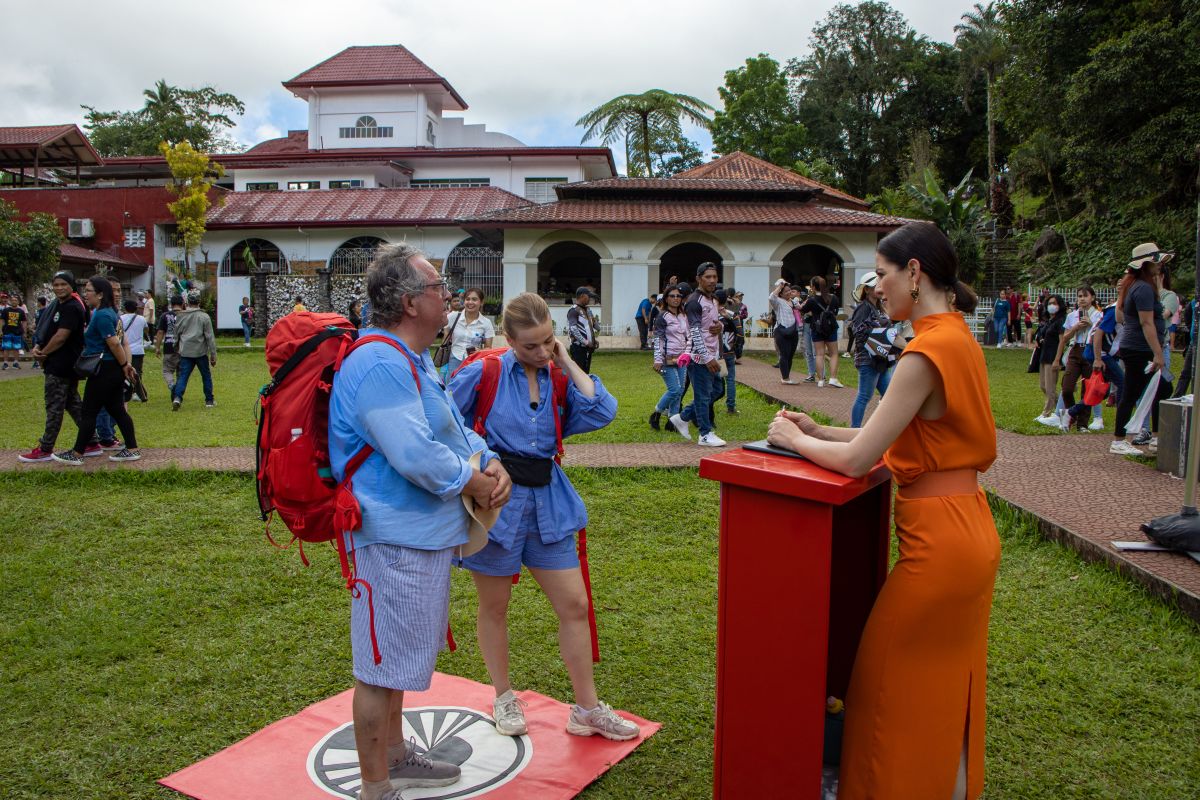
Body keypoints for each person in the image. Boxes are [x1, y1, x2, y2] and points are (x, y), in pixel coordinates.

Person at [767, 221, 998, 800]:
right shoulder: (957, 336)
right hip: (968, 526)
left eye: (883, 274)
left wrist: (796, 444)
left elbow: (862, 458)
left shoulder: (925, 350)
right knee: (943, 685)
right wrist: (819, 427)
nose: (876, 287)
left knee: (884, 682)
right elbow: (898, 437)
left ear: (914, 273)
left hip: (940, 545)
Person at [328, 243, 511, 800]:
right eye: (438, 287)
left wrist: (489, 458)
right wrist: (475, 481)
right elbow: (414, 454)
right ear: (410, 303)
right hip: (390, 538)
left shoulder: (409, 358)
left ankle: (397, 757)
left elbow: (451, 430)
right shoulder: (380, 361)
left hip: (417, 537)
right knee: (379, 664)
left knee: (401, 659)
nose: (447, 294)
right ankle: (376, 786)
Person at [447, 292, 639, 742]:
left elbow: (600, 410)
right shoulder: (485, 371)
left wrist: (565, 358)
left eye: (547, 341)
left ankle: (587, 709)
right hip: (498, 503)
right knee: (495, 607)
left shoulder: (557, 375)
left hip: (549, 502)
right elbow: (443, 420)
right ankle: (503, 694)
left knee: (574, 605)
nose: (539, 352)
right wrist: (481, 456)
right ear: (508, 340)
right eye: (529, 345)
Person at [51, 276, 140, 464]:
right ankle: (131, 448)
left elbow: (115, 343)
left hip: (104, 369)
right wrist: (124, 366)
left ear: (100, 295)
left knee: (89, 411)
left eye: (89, 290)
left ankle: (77, 453)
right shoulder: (109, 313)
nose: (86, 293)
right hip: (110, 368)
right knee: (117, 410)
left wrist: (125, 365)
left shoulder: (102, 315)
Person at [19, 272, 102, 462]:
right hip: (60, 363)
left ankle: (46, 448)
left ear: (71, 286)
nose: (59, 288)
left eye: (63, 284)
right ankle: (91, 441)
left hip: (61, 364)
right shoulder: (59, 306)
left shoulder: (72, 307)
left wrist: (43, 353)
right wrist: (39, 346)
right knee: (73, 404)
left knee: (54, 406)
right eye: (55, 285)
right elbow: (48, 331)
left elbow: (61, 336)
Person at [1111, 243, 1173, 456]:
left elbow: (1122, 316)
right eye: (1156, 262)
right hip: (1140, 349)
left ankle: (1153, 436)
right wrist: (1157, 353)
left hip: (1134, 347)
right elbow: (1147, 323)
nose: (1160, 267)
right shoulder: (1144, 288)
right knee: (1136, 392)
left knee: (1159, 390)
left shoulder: (1134, 285)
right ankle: (1120, 439)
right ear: (1147, 264)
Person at [668, 262, 726, 447]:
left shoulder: (714, 299)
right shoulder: (694, 301)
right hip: (698, 357)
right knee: (702, 395)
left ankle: (682, 417)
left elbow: (712, 325)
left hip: (712, 354)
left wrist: (720, 327)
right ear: (698, 278)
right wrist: (707, 358)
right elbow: (694, 332)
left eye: (714, 277)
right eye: (707, 277)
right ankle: (705, 434)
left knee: (717, 390)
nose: (712, 280)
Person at [849, 273, 893, 428]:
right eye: (876, 286)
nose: (879, 288)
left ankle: (882, 428)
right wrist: (876, 329)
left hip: (880, 358)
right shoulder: (863, 308)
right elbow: (858, 332)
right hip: (868, 359)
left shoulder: (878, 307)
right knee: (864, 397)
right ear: (866, 290)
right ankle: (854, 430)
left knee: (889, 396)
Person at [1057, 287, 1104, 431]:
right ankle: (1072, 414)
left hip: (1089, 349)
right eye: (1079, 296)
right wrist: (1076, 327)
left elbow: (1099, 335)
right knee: (1067, 387)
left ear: (1092, 297)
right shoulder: (1072, 316)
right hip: (1076, 349)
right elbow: (1065, 337)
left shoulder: (1098, 315)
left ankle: (1082, 424)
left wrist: (1090, 324)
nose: (1082, 299)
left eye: (1085, 296)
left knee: (1088, 389)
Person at [649, 284, 688, 430]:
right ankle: (656, 413)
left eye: (678, 296)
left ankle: (672, 422)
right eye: (672, 296)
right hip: (667, 359)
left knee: (680, 391)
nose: (676, 298)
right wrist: (658, 359)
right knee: (675, 390)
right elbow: (658, 339)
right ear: (666, 298)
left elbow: (687, 336)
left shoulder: (684, 316)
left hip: (682, 359)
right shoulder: (662, 316)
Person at [172, 293, 217, 410]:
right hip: (200, 351)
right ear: (199, 302)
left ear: (187, 303)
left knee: (183, 376)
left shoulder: (181, 316)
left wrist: (175, 346)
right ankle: (209, 400)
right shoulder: (204, 316)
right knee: (206, 376)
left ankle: (177, 398)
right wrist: (213, 354)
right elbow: (209, 337)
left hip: (186, 351)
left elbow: (176, 333)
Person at [440, 287, 495, 376]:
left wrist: (480, 351)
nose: (470, 302)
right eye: (467, 299)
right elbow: (445, 337)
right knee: (452, 388)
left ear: (481, 302)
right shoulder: (453, 317)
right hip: (455, 358)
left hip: (474, 361)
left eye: (474, 299)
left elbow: (489, 347)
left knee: (471, 388)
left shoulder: (486, 323)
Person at [801, 276, 844, 387]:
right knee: (834, 353)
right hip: (831, 328)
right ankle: (833, 378)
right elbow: (835, 312)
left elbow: (803, 310)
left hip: (817, 328)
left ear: (813, 287)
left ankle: (820, 380)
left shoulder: (811, 300)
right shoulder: (833, 298)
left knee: (819, 354)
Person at [1033, 295, 1068, 427]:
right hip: (1044, 355)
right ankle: (1062, 407)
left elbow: (1062, 341)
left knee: (1050, 388)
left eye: (1054, 303)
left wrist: (1057, 359)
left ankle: (1046, 413)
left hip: (1053, 356)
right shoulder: (1049, 321)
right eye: (1049, 303)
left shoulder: (1061, 321)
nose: (1051, 306)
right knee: (1043, 385)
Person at [768, 280, 800, 384]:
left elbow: (801, 308)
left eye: (789, 290)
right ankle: (785, 378)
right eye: (785, 291)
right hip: (782, 331)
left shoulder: (793, 302)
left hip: (793, 331)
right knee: (784, 354)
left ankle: (787, 377)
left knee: (790, 355)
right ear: (781, 293)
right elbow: (771, 297)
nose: (789, 292)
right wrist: (780, 286)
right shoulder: (778, 302)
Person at [119, 299, 148, 400]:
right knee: (137, 372)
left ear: (125, 308)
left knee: (123, 370)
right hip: (138, 349)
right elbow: (146, 330)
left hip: (124, 350)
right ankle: (137, 392)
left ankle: (128, 390)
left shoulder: (120, 318)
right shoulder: (142, 319)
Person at [155, 295, 183, 393]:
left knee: (167, 370)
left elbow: (160, 332)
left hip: (168, 346)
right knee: (181, 372)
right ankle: (179, 389)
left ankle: (171, 384)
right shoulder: (186, 315)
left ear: (171, 304)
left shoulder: (165, 315)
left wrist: (157, 347)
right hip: (183, 347)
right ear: (182, 304)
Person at [566, 288, 598, 373]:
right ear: (582, 296)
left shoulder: (588, 310)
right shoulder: (573, 310)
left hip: (588, 349)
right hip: (578, 348)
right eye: (589, 297)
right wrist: (586, 342)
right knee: (578, 374)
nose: (590, 299)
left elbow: (593, 326)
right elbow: (573, 329)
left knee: (585, 373)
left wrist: (594, 340)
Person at [2, 293, 27, 370]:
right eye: (12, 300)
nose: (14, 301)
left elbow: (24, 321)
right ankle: (5, 363)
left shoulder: (21, 311)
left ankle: (16, 363)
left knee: (17, 348)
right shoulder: (6, 310)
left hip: (17, 332)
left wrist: (24, 331)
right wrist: (1, 330)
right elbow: (1, 320)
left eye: (15, 300)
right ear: (10, 301)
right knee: (6, 347)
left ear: (18, 302)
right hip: (7, 331)